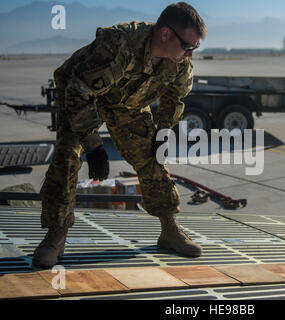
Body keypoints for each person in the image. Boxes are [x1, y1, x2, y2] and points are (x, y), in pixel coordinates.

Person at [32, 2, 206, 267]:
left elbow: (175, 98)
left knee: (154, 158)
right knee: (67, 157)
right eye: (187, 46)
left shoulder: (179, 64)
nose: (190, 54)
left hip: (126, 103)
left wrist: (162, 133)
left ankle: (169, 230)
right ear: (166, 34)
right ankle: (56, 235)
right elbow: (80, 92)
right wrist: (93, 145)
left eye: (195, 47)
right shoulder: (119, 45)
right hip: (81, 95)